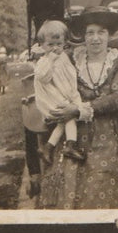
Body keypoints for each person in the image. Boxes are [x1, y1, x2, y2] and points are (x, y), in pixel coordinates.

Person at [38, 7, 118, 209]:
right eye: (90, 33)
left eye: (101, 32)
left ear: (109, 35)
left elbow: (117, 99)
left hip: (107, 131)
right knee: (68, 175)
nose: (95, 38)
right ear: (83, 36)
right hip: (74, 132)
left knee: (107, 175)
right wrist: (52, 107)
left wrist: (77, 110)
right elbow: (48, 80)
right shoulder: (72, 58)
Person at [34, 20, 85, 163]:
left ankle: (48, 147)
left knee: (64, 122)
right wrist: (50, 60)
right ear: (42, 45)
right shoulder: (45, 60)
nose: (55, 48)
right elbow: (43, 77)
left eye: (59, 44)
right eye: (50, 45)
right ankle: (70, 145)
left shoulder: (63, 57)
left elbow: (68, 76)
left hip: (62, 94)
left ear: (64, 43)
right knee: (69, 117)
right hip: (51, 97)